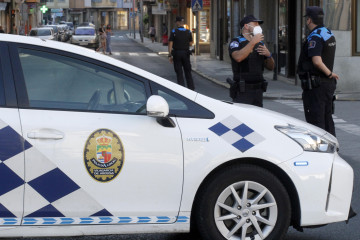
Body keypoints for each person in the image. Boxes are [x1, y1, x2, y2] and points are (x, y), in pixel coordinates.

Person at [297, 7, 339, 136]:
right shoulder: (328, 33)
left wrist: (330, 74)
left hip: (316, 86)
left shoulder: (315, 36)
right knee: (327, 120)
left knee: (316, 122)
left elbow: (317, 61)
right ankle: (333, 150)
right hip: (326, 85)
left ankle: (321, 153)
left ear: (309, 20)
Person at [228, 15, 274, 107]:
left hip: (258, 91)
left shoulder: (259, 43)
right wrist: (252, 42)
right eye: (255, 23)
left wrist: (268, 55)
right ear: (246, 26)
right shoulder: (236, 42)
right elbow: (238, 57)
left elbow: (271, 67)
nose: (258, 26)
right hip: (243, 91)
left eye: (259, 24)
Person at [168, 16, 195, 90]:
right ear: (182, 23)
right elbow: (191, 43)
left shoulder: (174, 31)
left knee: (179, 72)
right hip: (186, 54)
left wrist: (170, 55)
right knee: (188, 71)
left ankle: (181, 89)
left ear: (177, 22)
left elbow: (170, 43)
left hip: (177, 53)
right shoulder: (188, 31)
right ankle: (191, 88)